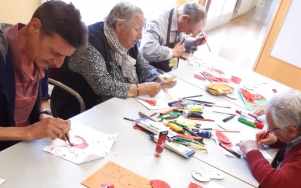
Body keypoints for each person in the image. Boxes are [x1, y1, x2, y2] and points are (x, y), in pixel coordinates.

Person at [51, 2, 176, 119]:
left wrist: (160, 79)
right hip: (83, 111)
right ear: (119, 26)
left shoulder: (127, 43)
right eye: (137, 29)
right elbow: (104, 86)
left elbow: (144, 69)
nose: (140, 36)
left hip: (116, 106)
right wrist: (142, 89)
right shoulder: (90, 44)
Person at [0, 1, 87, 151]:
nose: (58, 64)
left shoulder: (39, 56)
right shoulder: (3, 53)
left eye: (64, 57)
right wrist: (28, 131)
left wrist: (45, 114)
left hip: (25, 151)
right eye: (55, 53)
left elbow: (44, 98)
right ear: (34, 27)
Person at [140, 3, 207, 72]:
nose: (188, 33)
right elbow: (146, 50)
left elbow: (175, 39)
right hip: (149, 73)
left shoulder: (178, 17)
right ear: (184, 18)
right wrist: (173, 52)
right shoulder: (157, 21)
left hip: (169, 72)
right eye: (190, 30)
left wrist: (193, 42)